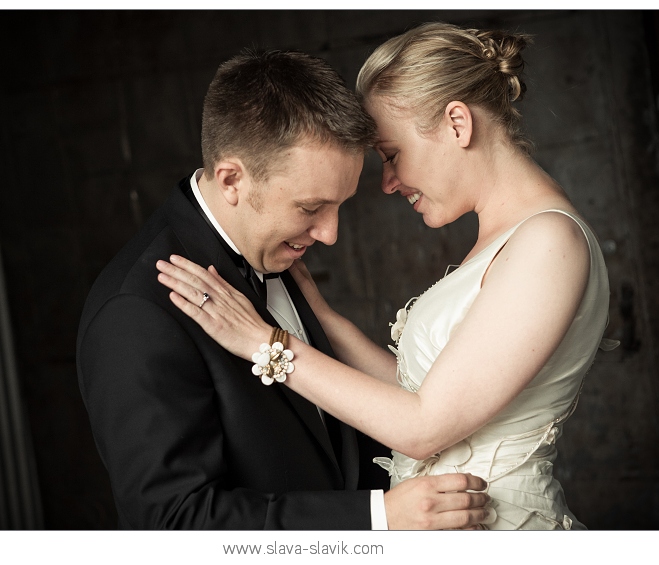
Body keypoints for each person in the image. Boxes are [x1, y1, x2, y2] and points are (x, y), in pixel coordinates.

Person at [156, 22, 619, 530]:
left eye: (392, 155)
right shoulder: (512, 237)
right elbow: (420, 392)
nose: (389, 183)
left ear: (457, 124)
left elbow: (424, 428)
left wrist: (267, 345)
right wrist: (322, 317)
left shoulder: (549, 243)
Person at [77, 47, 490, 530]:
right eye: (310, 207)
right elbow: (175, 524)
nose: (330, 234)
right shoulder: (137, 311)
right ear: (232, 179)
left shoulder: (273, 250)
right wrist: (376, 516)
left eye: (340, 206)